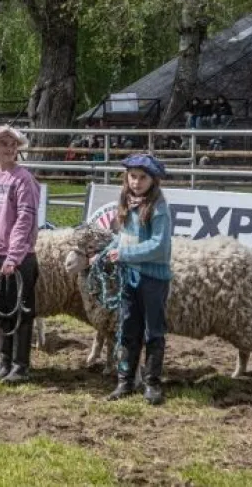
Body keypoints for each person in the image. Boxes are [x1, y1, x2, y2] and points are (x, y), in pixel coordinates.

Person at [102, 154, 172, 406]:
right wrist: (107, 252)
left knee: (153, 330)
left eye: (143, 177)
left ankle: (152, 383)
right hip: (129, 278)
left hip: (152, 279)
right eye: (133, 176)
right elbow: (122, 238)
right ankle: (125, 380)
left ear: (153, 180)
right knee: (128, 328)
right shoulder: (126, 204)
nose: (137, 182)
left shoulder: (158, 208)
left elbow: (159, 246)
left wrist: (124, 254)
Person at [0, 125, 41, 384]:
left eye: (13, 145)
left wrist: (14, 256)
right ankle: (3, 359)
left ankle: (20, 365)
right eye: (4, 144)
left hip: (19, 257)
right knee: (0, 309)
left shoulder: (23, 179)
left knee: (20, 311)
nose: (10, 149)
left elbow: (25, 218)